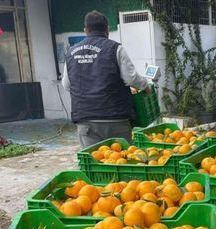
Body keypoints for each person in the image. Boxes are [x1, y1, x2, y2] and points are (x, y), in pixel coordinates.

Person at [62, 10, 151, 148]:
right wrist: (145, 86)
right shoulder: (115, 49)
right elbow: (131, 78)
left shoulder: (70, 53)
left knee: (93, 164)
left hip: (86, 120)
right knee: (121, 163)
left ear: (85, 30)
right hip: (115, 118)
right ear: (107, 29)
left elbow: (66, 85)